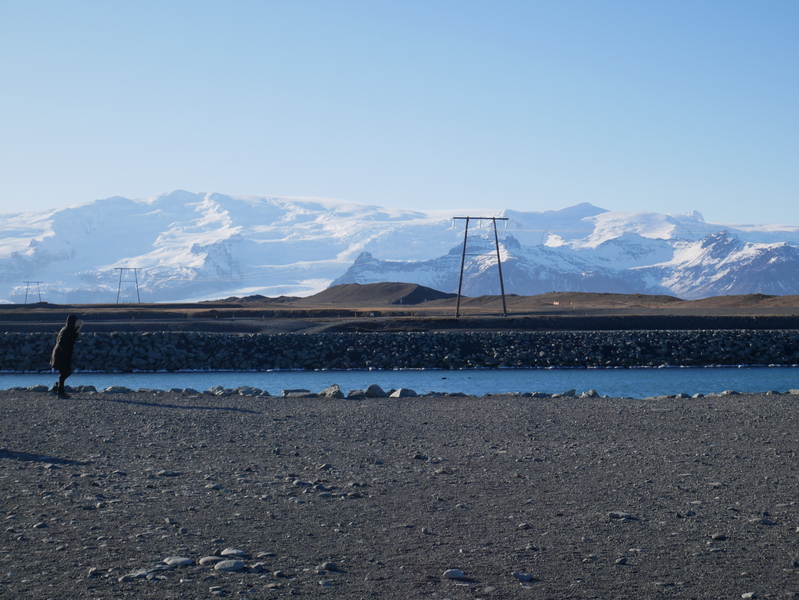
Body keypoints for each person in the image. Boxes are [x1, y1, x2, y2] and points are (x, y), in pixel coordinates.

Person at [50, 314, 82, 398]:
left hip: (64, 354)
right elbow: (61, 343)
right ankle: (60, 392)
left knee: (66, 372)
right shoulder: (65, 330)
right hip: (61, 355)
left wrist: (77, 331)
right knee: (65, 372)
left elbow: (72, 339)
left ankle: (57, 387)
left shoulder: (69, 330)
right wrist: (65, 353)